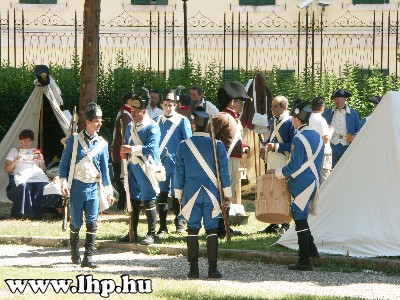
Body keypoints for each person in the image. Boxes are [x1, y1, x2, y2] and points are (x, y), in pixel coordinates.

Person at [174, 107, 232, 279]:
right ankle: (212, 270)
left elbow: (179, 173)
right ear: (207, 125)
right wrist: (227, 194)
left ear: (193, 125)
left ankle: (193, 270)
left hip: (191, 194)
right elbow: (224, 172)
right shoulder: (218, 145)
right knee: (212, 230)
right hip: (212, 194)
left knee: (192, 230)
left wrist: (178, 195)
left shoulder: (184, 146)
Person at [269, 102, 324, 271]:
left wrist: (277, 172)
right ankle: (313, 252)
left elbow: (294, 166)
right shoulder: (317, 136)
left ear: (295, 119)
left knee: (299, 220)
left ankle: (305, 261)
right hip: (314, 180)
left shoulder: (299, 138)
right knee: (302, 218)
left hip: (302, 183)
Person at [59, 102, 114, 268]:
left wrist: (109, 192)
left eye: (100, 120)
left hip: (93, 188)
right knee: (76, 222)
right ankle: (74, 251)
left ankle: (88, 258)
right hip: (77, 187)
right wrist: (63, 183)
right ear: (88, 122)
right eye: (96, 120)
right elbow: (63, 165)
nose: (100, 123)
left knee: (92, 222)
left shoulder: (103, 144)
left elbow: (104, 171)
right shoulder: (74, 141)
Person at [119, 95, 161, 245]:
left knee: (149, 200)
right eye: (132, 110)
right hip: (133, 167)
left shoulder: (153, 126)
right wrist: (124, 151)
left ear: (144, 111)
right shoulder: (130, 126)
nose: (133, 113)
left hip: (146, 167)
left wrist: (132, 149)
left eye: (136, 111)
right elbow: (126, 144)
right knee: (133, 201)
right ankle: (132, 232)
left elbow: (151, 148)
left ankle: (151, 234)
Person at [212, 81, 251, 237]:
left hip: (233, 160)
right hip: (224, 161)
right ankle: (219, 226)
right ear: (233, 102)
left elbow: (233, 139)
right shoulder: (221, 117)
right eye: (240, 102)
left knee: (229, 194)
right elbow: (210, 139)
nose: (242, 105)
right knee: (223, 193)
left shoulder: (234, 119)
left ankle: (225, 224)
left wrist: (244, 146)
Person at [154, 89, 192, 238]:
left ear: (175, 105)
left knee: (178, 194)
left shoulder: (182, 121)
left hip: (177, 163)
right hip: (161, 164)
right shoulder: (156, 121)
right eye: (165, 104)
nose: (168, 107)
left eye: (171, 105)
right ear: (162, 105)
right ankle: (163, 226)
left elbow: (187, 144)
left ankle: (180, 223)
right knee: (162, 194)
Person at [258, 96, 296, 234]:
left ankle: (285, 222)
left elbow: (294, 144)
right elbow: (271, 137)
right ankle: (273, 222)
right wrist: (264, 146)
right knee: (271, 190)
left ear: (284, 108)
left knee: (283, 191)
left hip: (283, 160)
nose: (272, 108)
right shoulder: (273, 120)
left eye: (275, 106)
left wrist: (276, 146)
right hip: (273, 158)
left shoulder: (291, 122)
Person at [4, 129, 49, 219]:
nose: (26, 143)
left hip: (36, 174)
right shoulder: (14, 151)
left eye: (28, 141)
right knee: (24, 185)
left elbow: (43, 169)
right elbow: (7, 169)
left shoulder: (36, 151)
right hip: (21, 173)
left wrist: (41, 161)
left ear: (32, 141)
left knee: (43, 185)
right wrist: (15, 161)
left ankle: (39, 212)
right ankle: (25, 214)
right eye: (24, 140)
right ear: (20, 140)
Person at [322, 89, 360, 168]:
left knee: (346, 169)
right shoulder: (328, 113)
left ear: (344, 99)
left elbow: (359, 129)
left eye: (338, 98)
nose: (336, 101)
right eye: (335, 99)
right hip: (332, 145)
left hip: (347, 145)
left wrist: (355, 135)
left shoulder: (353, 113)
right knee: (330, 170)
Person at [110, 91, 135, 210]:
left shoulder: (125, 113)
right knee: (122, 177)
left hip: (120, 150)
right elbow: (126, 135)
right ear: (129, 101)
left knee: (122, 177)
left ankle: (123, 202)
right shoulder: (125, 114)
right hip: (121, 150)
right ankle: (123, 203)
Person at [309, 96, 333, 184]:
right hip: (323, 152)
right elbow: (326, 138)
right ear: (322, 106)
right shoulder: (320, 120)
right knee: (324, 180)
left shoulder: (308, 119)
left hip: (312, 152)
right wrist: (331, 130)